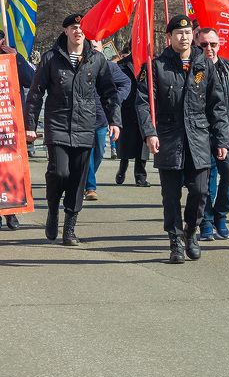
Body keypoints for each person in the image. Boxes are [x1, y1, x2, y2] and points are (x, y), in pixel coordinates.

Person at [136, 15, 229, 263]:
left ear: (193, 36)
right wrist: (150, 132)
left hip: (198, 137)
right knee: (170, 196)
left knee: (200, 191)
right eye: (179, 33)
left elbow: (217, 105)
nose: (184, 37)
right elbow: (143, 103)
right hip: (169, 137)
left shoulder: (204, 65)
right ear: (169, 37)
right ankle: (175, 240)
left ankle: (191, 230)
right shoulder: (156, 66)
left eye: (188, 33)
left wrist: (222, 139)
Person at [24, 14, 121, 246]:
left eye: (82, 28)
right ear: (66, 31)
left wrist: (114, 121)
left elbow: (109, 93)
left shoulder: (96, 59)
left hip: (85, 126)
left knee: (77, 178)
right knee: (59, 172)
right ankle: (52, 210)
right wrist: (30, 126)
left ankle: (69, 228)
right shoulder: (51, 58)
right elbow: (36, 94)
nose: (78, 31)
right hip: (57, 124)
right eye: (74, 27)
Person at [0, 27, 36, 232]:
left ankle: (11, 211)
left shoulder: (13, 59)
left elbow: (32, 80)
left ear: (3, 42)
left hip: (11, 123)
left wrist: (17, 57)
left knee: (11, 170)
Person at [196, 28, 229, 241]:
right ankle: (206, 222)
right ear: (197, 45)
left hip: (226, 132)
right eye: (204, 45)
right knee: (205, 181)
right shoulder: (194, 70)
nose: (209, 48)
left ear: (219, 45)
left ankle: (220, 215)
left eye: (213, 44)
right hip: (201, 134)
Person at [84, 39, 131, 201]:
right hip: (82, 118)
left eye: (96, 46)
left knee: (99, 152)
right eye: (91, 46)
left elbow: (125, 83)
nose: (93, 49)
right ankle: (90, 187)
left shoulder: (110, 67)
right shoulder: (81, 66)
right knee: (87, 152)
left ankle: (85, 178)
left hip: (102, 117)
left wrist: (115, 100)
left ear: (102, 48)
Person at [115, 49, 150, 188]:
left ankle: (140, 176)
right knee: (126, 143)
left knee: (143, 144)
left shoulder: (150, 63)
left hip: (145, 108)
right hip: (127, 109)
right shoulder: (122, 65)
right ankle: (122, 168)